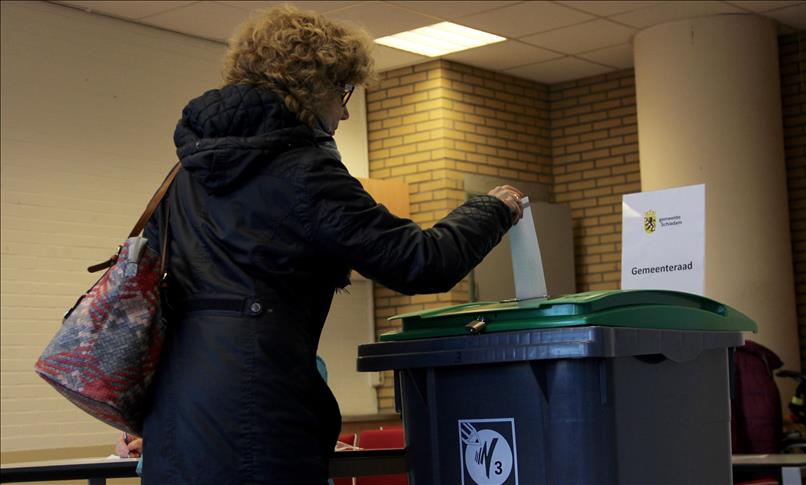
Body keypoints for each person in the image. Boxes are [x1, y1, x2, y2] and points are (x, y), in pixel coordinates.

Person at [140, 5, 524, 484]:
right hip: (259, 413)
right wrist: (493, 209)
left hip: (173, 416)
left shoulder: (183, 175)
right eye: (342, 92)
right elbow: (421, 262)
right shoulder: (304, 172)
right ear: (310, 87)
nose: (344, 110)